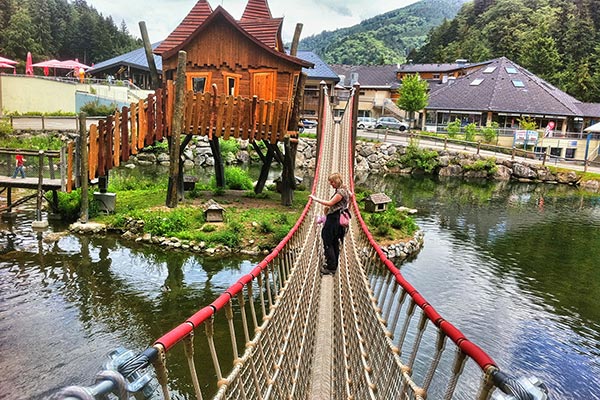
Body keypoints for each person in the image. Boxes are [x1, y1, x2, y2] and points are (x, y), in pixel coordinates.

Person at [309, 173, 350, 275]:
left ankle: (331, 268)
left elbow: (330, 203)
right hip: (338, 219)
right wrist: (348, 208)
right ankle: (333, 264)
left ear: (336, 181)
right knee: (334, 242)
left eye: (332, 182)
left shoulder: (340, 192)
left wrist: (315, 199)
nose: (331, 184)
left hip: (334, 219)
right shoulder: (345, 189)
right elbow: (352, 196)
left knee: (327, 240)